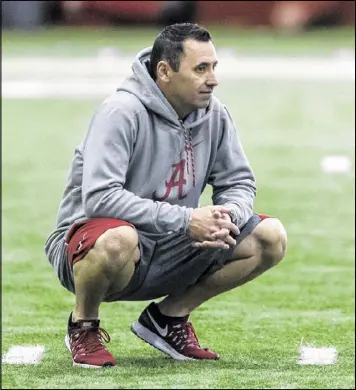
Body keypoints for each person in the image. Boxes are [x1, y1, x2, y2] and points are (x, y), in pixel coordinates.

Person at [44, 22, 287, 368]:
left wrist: (228, 214)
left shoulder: (215, 114)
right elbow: (99, 199)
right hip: (96, 249)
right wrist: (187, 219)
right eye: (200, 69)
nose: (213, 79)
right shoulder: (120, 112)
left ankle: (168, 319)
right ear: (164, 71)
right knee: (119, 239)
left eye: (214, 67)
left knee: (269, 237)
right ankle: (83, 324)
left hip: (171, 244)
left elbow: (239, 181)